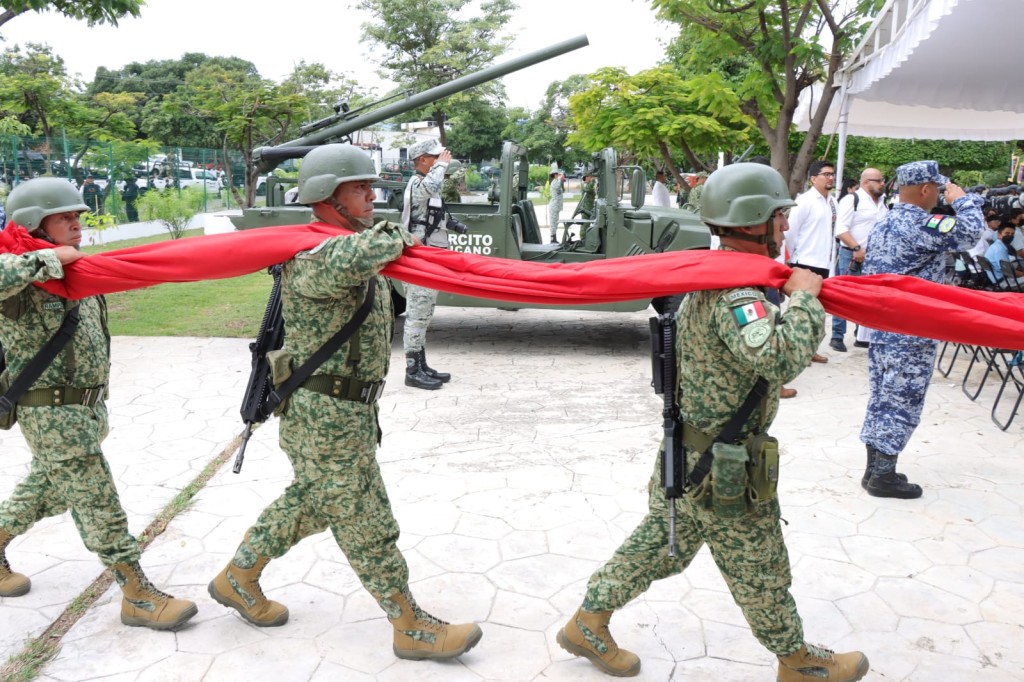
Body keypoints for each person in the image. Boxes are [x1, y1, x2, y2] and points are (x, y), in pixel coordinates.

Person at [557, 163, 869, 682]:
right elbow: (779, 357)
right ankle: (797, 661)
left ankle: (586, 623)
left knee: (662, 545)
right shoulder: (737, 293)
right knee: (760, 565)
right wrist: (806, 297)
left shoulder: (716, 274)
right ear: (752, 221)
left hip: (691, 451)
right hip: (720, 465)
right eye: (778, 217)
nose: (786, 227)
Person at [208, 144, 482, 660]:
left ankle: (237, 577)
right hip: (323, 415)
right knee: (365, 517)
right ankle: (409, 624)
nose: (372, 196)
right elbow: (369, 253)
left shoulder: (345, 243)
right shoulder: (318, 257)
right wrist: (400, 230)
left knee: (313, 502)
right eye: (360, 188)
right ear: (327, 198)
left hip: (349, 412)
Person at [0, 177, 197, 629]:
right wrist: (49, 258)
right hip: (50, 411)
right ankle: (137, 595)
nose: (76, 225)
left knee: (43, 492)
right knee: (97, 501)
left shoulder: (74, 268)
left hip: (86, 408)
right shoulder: (20, 267)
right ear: (35, 223)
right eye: (65, 217)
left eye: (78, 216)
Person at [859, 161, 984, 498]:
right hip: (910, 329)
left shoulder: (884, 223)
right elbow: (971, 233)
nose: (941, 194)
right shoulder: (922, 223)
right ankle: (883, 476)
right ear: (926, 189)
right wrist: (962, 200)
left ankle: (874, 471)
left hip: (883, 328)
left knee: (883, 397)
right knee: (903, 400)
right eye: (939, 189)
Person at [400, 138, 454, 390]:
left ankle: (422, 365)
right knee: (417, 316)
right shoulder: (418, 183)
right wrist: (442, 167)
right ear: (423, 160)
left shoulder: (424, 182)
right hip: (419, 260)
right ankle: (412, 370)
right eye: (435, 157)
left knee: (425, 313)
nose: (440, 160)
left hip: (429, 257)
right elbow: (431, 186)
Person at [785, 160, 837, 364]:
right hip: (805, 261)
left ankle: (811, 348)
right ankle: (796, 350)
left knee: (818, 311)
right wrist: (790, 262)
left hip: (825, 262)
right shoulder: (804, 201)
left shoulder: (832, 202)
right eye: (826, 174)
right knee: (801, 311)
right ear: (813, 179)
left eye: (832, 174)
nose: (830, 178)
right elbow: (790, 232)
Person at [830, 168, 887, 352]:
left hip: (875, 256)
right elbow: (841, 229)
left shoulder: (882, 203)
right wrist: (856, 248)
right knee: (845, 295)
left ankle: (861, 335)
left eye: (882, 180)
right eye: (878, 180)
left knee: (869, 296)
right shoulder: (852, 200)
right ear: (865, 182)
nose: (882, 183)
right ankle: (837, 335)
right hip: (852, 253)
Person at [983, 222, 1024, 288]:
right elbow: (1009, 271)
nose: (1010, 236)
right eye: (1007, 233)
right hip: (1003, 281)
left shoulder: (996, 245)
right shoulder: (1000, 249)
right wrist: (1022, 274)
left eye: (1012, 234)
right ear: (999, 235)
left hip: (996, 278)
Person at [548, 169, 565, 243]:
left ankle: (554, 238)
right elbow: (558, 186)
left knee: (556, 222)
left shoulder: (557, 182)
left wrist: (562, 181)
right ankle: (552, 238)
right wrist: (560, 179)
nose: (559, 175)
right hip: (554, 206)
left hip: (557, 206)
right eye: (558, 174)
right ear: (555, 175)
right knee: (553, 222)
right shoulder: (554, 182)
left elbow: (562, 189)